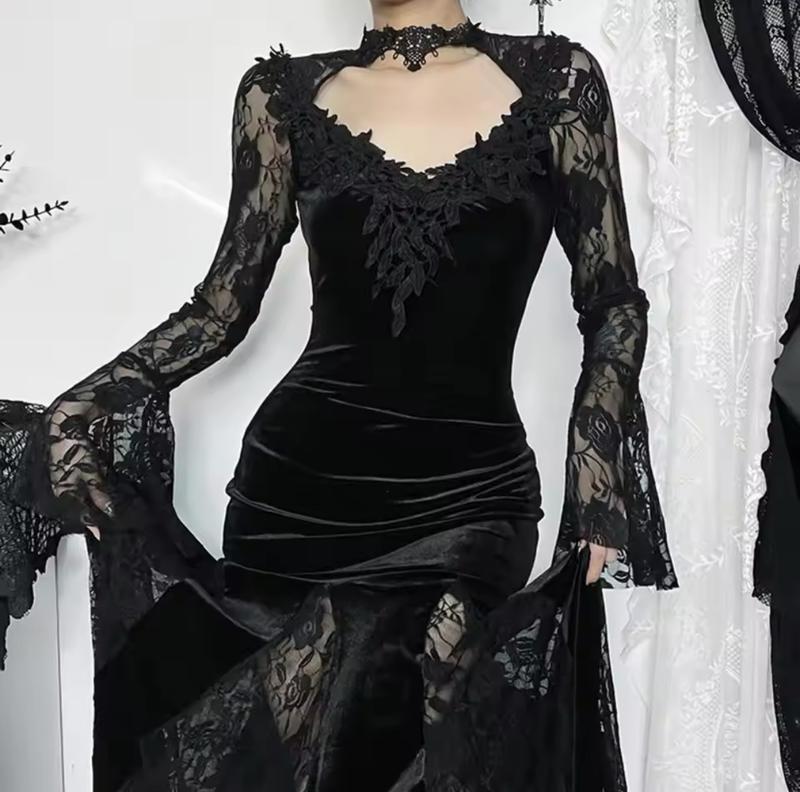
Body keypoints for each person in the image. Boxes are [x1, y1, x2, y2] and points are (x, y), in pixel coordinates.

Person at [0, 1, 678, 789]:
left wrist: (597, 482)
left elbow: (613, 301)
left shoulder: (558, 83)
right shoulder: (280, 96)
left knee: (427, 699)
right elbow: (220, 309)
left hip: (470, 499)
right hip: (295, 503)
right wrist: (79, 410)